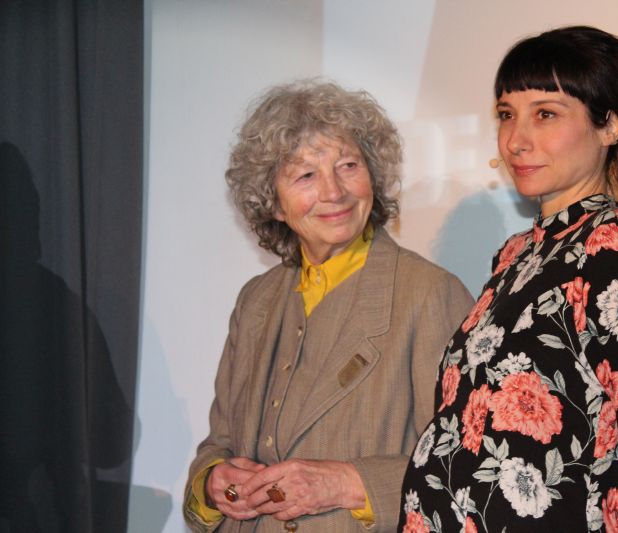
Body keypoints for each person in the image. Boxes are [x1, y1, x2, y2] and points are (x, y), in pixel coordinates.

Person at [398, 26, 618, 532]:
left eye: (545, 114)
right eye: (506, 114)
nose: (517, 139)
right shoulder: (516, 255)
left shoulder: (615, 246)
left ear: (610, 126)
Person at [183, 80, 474, 533]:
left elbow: (466, 464)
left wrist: (348, 484)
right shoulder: (255, 300)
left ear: (373, 176)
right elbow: (218, 443)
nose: (334, 192)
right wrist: (212, 483)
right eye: (305, 175)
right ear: (274, 204)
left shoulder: (430, 294)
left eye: (348, 166)